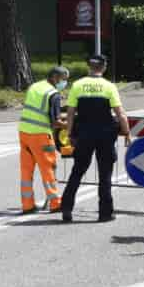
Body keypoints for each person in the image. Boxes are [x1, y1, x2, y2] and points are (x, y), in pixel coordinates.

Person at [59, 54, 129, 222]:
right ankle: (105, 213)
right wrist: (126, 133)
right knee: (105, 174)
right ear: (103, 68)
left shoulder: (77, 85)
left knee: (77, 171)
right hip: (105, 135)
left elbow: (70, 113)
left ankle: (66, 209)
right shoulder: (109, 86)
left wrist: (69, 134)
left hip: (83, 134)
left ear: (89, 67)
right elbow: (120, 114)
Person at [19, 66, 69, 213]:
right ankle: (55, 203)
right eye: (64, 79)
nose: (65, 83)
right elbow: (55, 122)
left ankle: (27, 205)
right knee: (48, 169)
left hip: (24, 132)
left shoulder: (35, 86)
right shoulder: (53, 94)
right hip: (40, 136)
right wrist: (69, 124)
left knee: (26, 171)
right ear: (55, 77)